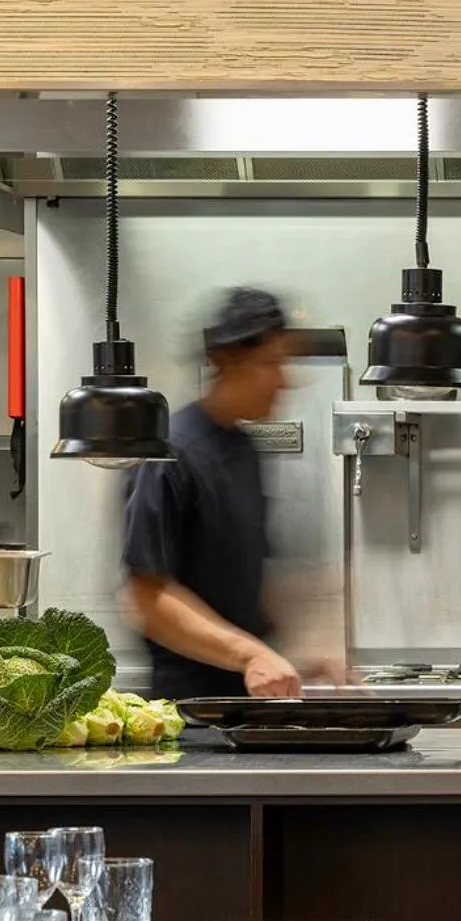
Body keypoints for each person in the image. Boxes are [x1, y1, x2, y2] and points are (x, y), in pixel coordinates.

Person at [120, 286, 310, 700]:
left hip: (247, 700)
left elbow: (243, 580)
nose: (285, 381)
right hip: (188, 712)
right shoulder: (170, 452)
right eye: (271, 363)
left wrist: (304, 651)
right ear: (227, 360)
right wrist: (251, 655)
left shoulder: (244, 450)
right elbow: (147, 597)